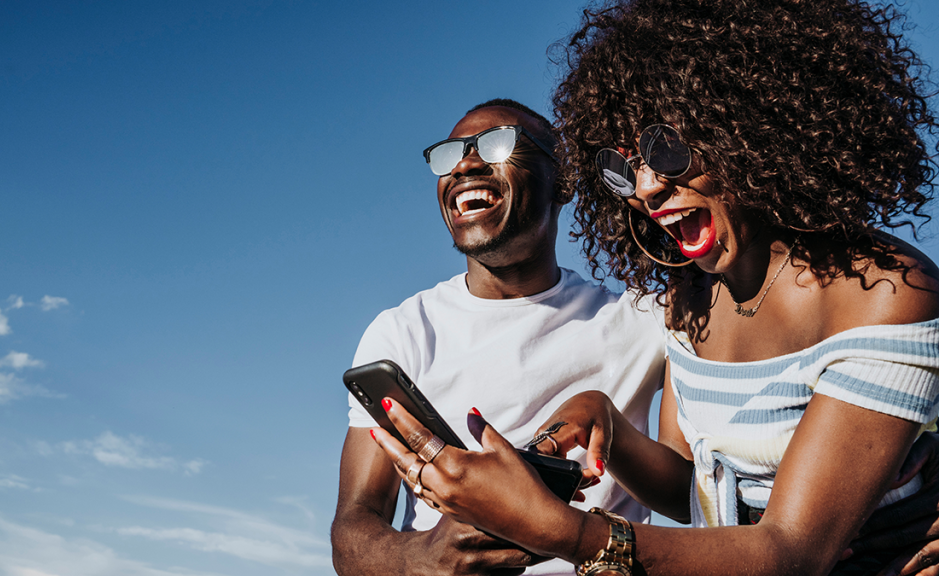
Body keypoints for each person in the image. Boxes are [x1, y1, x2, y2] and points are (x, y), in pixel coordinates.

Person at [369, 1, 939, 575]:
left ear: (753, 125)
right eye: (625, 166)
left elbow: (790, 551)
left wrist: (562, 531)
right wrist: (608, 425)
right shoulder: (686, 299)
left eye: (667, 150)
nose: (645, 188)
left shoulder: (883, 294)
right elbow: (693, 494)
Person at [330, 99, 667, 576]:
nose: (466, 163)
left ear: (562, 183)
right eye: (450, 155)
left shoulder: (640, 323)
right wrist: (420, 560)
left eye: (497, 145)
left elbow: (693, 492)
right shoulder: (403, 332)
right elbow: (352, 527)